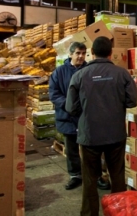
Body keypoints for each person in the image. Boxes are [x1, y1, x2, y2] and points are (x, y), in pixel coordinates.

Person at [66, 36, 137, 216]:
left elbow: (70, 108)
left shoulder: (79, 75)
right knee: (117, 177)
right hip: (115, 134)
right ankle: (118, 212)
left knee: (90, 179)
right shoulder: (122, 74)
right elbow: (132, 102)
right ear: (111, 53)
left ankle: (90, 213)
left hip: (89, 135)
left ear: (92, 53)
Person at [49, 42, 87, 191]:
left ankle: (94, 175)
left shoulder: (89, 70)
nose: (81, 56)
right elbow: (54, 93)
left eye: (83, 53)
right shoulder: (59, 72)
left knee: (90, 149)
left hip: (86, 118)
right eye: (78, 53)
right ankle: (75, 175)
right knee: (71, 149)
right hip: (68, 117)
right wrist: (69, 105)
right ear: (70, 54)